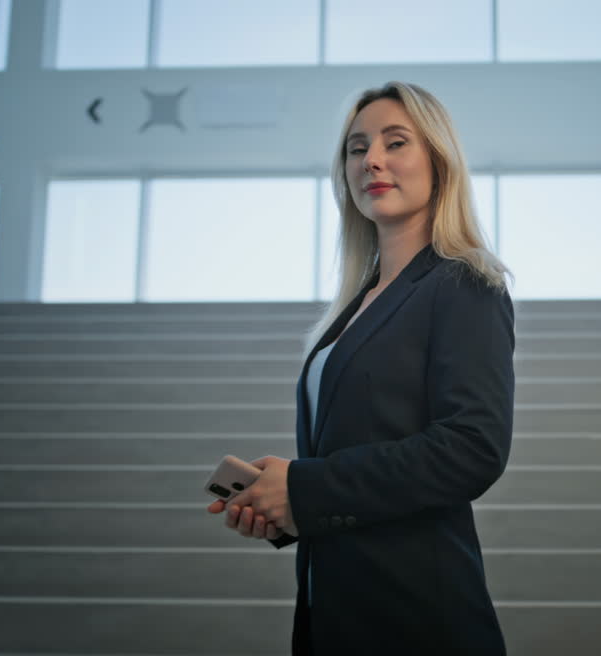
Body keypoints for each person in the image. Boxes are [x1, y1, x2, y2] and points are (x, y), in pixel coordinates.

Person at [206, 81, 515, 655]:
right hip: (337, 610)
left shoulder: (463, 284)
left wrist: (305, 487)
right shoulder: (352, 308)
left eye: (396, 142)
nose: (371, 158)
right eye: (356, 148)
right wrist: (289, 505)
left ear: (439, 162)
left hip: (418, 615)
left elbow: (473, 448)